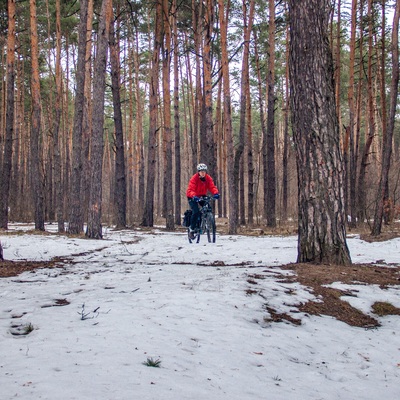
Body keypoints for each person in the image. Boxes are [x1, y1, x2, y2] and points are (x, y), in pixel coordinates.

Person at [186, 163, 220, 239]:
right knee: (196, 211)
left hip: (202, 195)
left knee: (208, 208)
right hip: (192, 196)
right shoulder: (194, 178)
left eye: (204, 171)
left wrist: (216, 193)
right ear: (198, 172)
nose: (203, 173)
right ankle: (192, 229)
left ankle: (208, 223)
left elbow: (212, 187)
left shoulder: (208, 178)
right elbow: (190, 189)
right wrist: (194, 196)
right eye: (201, 171)